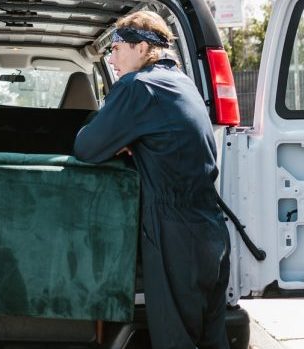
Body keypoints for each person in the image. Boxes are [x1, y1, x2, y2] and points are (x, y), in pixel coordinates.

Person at [73, 11, 231, 349]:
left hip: (173, 232)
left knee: (176, 341)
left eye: (116, 48)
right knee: (211, 339)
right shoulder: (181, 83)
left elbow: (86, 147)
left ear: (143, 47)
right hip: (210, 229)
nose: (111, 58)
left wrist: (120, 141)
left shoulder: (137, 86)